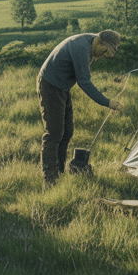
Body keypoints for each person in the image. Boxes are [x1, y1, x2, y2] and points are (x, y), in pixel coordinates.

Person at [37, 29, 123, 186]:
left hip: (63, 88)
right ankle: (49, 179)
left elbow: (82, 73)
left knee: (67, 131)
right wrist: (107, 102)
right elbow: (84, 82)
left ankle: (60, 172)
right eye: (104, 51)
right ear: (100, 41)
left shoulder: (91, 43)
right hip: (50, 85)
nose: (102, 56)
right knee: (54, 133)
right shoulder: (81, 48)